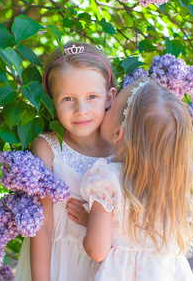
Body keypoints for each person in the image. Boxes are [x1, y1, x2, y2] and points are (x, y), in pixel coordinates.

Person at [71, 80, 193, 280]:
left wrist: (91, 222)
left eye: (110, 107)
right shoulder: (171, 185)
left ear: (118, 133)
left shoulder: (107, 180)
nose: (105, 107)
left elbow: (97, 250)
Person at [14, 42, 117, 281]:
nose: (81, 109)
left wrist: (93, 221)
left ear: (109, 97)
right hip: (59, 264)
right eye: (68, 98)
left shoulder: (121, 148)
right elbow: (43, 225)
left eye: (92, 96)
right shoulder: (48, 148)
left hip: (111, 266)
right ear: (52, 101)